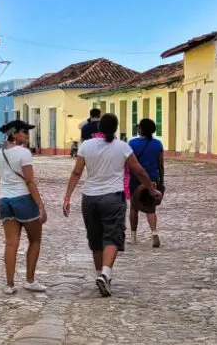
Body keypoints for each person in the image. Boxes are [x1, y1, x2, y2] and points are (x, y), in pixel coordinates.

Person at [63, 113, 161, 297]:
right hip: (113, 198)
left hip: (89, 198)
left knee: (96, 240)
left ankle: (101, 275)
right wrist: (151, 189)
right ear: (115, 128)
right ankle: (106, 273)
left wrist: (67, 197)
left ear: (99, 129)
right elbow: (138, 170)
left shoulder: (86, 146)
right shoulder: (122, 147)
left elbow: (76, 172)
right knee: (113, 236)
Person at [0, 120, 48, 295]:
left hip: (4, 200)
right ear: (15, 133)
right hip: (23, 199)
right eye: (24, 132)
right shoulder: (24, 153)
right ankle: (30, 280)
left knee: (11, 243)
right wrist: (40, 205)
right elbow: (30, 180)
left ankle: (9, 284)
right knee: (35, 240)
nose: (27, 135)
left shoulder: (0, 153)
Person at [128, 118, 165, 247]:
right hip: (153, 178)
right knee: (150, 208)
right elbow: (161, 164)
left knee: (134, 207)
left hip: (136, 179)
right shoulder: (158, 144)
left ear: (141, 129)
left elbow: (128, 162)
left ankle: (133, 236)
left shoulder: (132, 143)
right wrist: (161, 181)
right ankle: (154, 233)